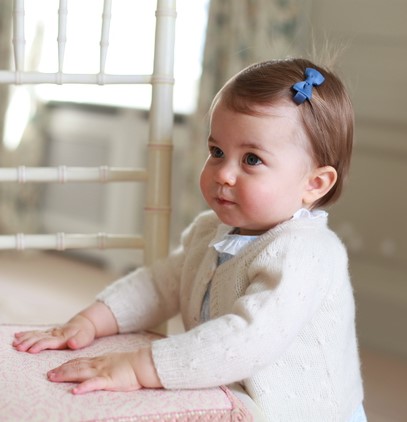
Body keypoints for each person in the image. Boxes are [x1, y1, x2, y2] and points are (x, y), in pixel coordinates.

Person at [13, 58, 366, 422]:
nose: (224, 173)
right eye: (217, 152)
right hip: (233, 398)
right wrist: (91, 320)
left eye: (251, 159)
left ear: (314, 184)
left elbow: (245, 340)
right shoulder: (209, 231)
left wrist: (138, 367)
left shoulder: (307, 253)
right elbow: (158, 285)